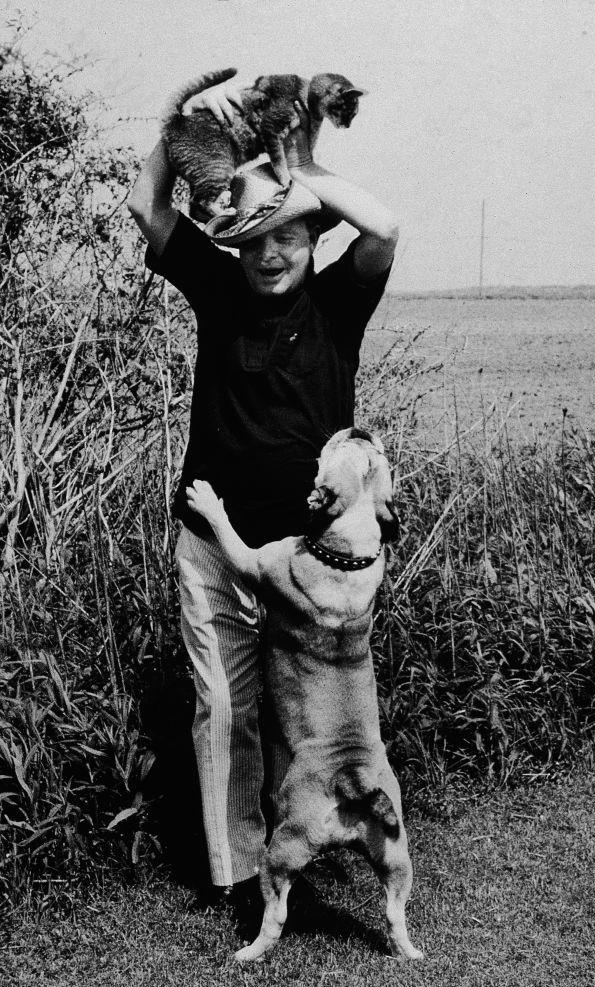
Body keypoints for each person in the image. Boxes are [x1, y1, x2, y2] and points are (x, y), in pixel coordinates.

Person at [128, 74, 398, 904]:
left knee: (301, 715)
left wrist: (291, 172)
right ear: (235, 247)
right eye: (254, 241)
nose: (270, 254)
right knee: (223, 709)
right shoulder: (217, 290)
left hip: (305, 561)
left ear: (311, 240)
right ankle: (240, 876)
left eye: (286, 237)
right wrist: (176, 124)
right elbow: (149, 208)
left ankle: (300, 852)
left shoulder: (338, 303)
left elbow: (384, 228)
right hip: (212, 542)